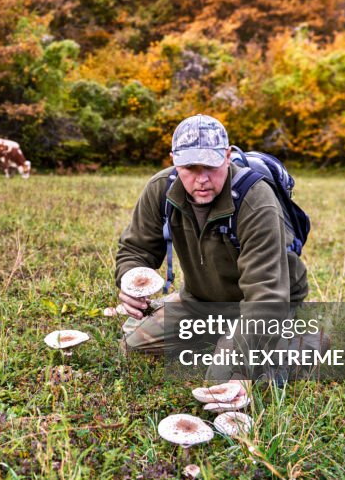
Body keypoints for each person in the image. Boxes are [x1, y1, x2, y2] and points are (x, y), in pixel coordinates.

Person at [115, 114, 309, 364]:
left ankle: (305, 343)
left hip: (263, 304)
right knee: (135, 343)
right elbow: (134, 249)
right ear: (174, 160)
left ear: (227, 157)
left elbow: (266, 294)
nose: (202, 179)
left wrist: (240, 368)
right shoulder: (161, 189)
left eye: (210, 166)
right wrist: (130, 279)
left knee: (222, 374)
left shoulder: (255, 200)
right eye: (190, 168)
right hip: (202, 301)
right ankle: (220, 335)